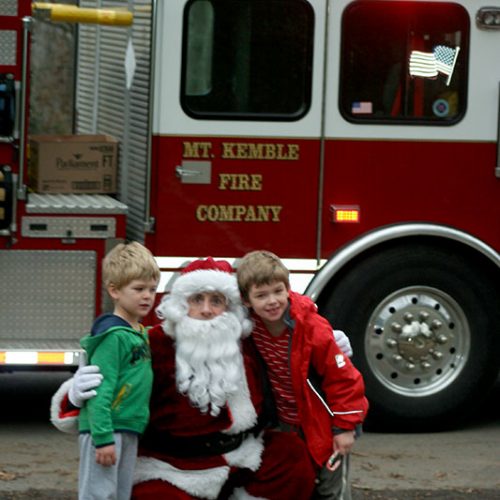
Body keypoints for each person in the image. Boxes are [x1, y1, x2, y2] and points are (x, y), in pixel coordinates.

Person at [52, 257, 318, 499]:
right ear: (180, 305)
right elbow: (104, 387)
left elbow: (286, 323)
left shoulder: (247, 339)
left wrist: (319, 343)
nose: (206, 310)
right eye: (197, 299)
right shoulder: (151, 343)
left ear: (229, 307)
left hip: (241, 456)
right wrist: (73, 396)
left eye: (216, 301)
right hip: (173, 466)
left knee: (291, 456)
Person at [236, 250, 369, 500]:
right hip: (286, 422)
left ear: (288, 288)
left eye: (277, 291)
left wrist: (344, 429)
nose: (272, 301)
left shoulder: (311, 329)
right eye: (261, 295)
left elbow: (344, 379)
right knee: (300, 482)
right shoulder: (250, 329)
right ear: (246, 301)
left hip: (326, 422)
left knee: (331, 489)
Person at [77, 241, 161, 499]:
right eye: (138, 289)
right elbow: (99, 389)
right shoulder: (113, 337)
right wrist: (102, 437)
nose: (147, 296)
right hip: (106, 429)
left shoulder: (139, 333)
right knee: (99, 494)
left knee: (120, 494)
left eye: (152, 289)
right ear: (114, 290)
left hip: (127, 428)